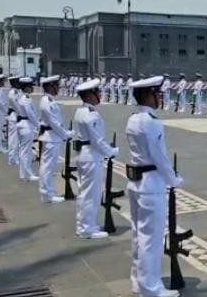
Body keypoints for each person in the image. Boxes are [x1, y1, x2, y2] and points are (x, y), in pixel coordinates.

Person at [125, 75, 183, 297]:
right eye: (157, 94)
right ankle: (151, 288)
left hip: (135, 181)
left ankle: (138, 281)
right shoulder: (152, 122)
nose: (159, 97)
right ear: (148, 95)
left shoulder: (132, 119)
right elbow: (160, 156)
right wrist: (174, 179)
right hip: (151, 184)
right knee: (152, 238)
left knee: (138, 235)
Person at [73, 78, 118, 239]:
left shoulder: (81, 111)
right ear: (90, 95)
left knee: (84, 193)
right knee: (91, 194)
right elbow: (97, 140)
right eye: (97, 92)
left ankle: (85, 224)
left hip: (84, 155)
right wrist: (112, 151)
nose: (99, 95)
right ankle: (86, 229)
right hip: (91, 157)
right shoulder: (91, 115)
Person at [39, 75, 74, 203]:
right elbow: (54, 124)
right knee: (48, 167)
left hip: (51, 137)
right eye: (56, 86)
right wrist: (66, 135)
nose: (58, 88)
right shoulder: (48, 102)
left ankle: (47, 191)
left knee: (47, 166)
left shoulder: (49, 100)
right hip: (51, 137)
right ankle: (47, 194)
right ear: (50, 87)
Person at [17, 77, 39, 181]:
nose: (33, 88)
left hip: (24, 125)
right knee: (26, 151)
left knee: (24, 151)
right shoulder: (25, 99)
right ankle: (28, 174)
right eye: (31, 86)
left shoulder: (24, 97)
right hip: (26, 125)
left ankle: (24, 174)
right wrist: (38, 125)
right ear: (26, 88)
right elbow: (31, 114)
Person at [7, 76, 21, 166]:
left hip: (16, 116)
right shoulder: (13, 93)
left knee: (17, 139)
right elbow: (16, 106)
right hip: (14, 116)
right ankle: (12, 158)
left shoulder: (16, 92)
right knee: (14, 139)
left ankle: (15, 157)